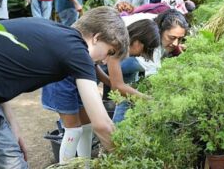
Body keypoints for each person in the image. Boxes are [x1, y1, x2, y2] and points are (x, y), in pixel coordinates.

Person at [0, 6, 129, 168]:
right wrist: (127, 161)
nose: (106, 60)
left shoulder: (56, 32)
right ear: (96, 38)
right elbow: (102, 125)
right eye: (110, 51)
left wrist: (13, 127)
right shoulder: (79, 51)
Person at [42, 19, 160, 163]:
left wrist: (109, 81)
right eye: (144, 49)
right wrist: (147, 99)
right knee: (73, 130)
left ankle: (85, 165)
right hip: (63, 79)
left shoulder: (112, 42)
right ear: (138, 41)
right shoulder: (116, 43)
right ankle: (65, 166)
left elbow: (92, 64)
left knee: (86, 128)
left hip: (80, 79)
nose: (141, 55)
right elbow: (118, 85)